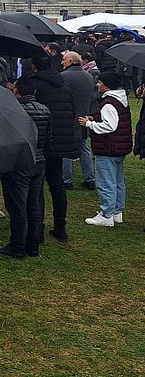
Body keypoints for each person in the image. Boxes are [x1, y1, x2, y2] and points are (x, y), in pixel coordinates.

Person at [0, 78, 51, 259]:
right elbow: (48, 136)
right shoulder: (45, 110)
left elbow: (7, 138)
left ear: (17, 91)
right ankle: (32, 244)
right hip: (39, 160)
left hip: (19, 162)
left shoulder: (14, 111)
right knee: (33, 204)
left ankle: (18, 246)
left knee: (17, 206)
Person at [30, 56, 79, 242]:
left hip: (41, 140)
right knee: (57, 185)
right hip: (61, 140)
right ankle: (60, 226)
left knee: (37, 187)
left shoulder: (36, 85)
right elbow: (72, 110)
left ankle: (38, 228)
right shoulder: (64, 84)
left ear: (35, 67)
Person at [80, 72, 131, 228]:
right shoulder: (119, 100)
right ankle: (117, 212)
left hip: (107, 147)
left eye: (100, 82)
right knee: (117, 181)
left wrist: (90, 125)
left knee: (106, 182)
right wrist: (95, 118)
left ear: (106, 85)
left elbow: (110, 126)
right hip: (119, 147)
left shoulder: (108, 103)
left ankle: (106, 214)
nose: (97, 85)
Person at [60, 51, 97, 190]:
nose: (62, 62)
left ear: (70, 62)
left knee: (66, 150)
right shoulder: (88, 76)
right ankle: (89, 178)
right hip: (84, 116)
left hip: (68, 117)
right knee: (84, 148)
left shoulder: (63, 77)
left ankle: (66, 180)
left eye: (64, 59)